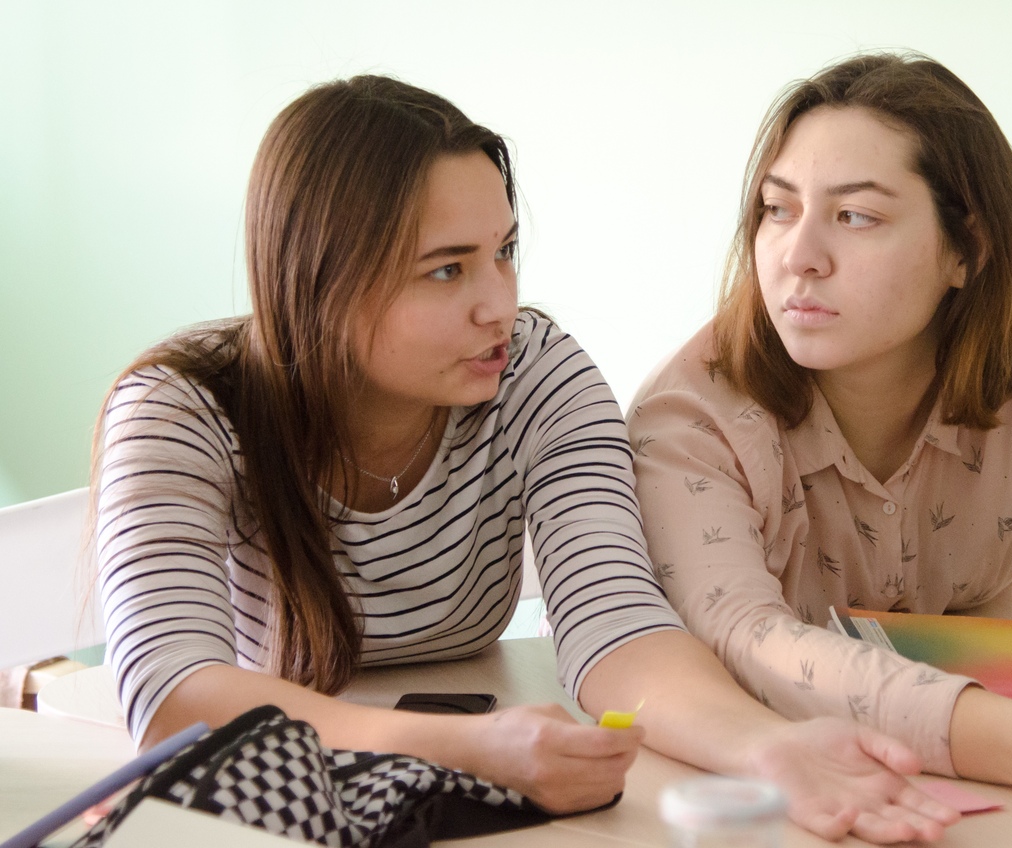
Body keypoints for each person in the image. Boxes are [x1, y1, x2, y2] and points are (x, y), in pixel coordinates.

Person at [91, 74, 962, 844]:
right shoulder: (180, 409)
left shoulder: (536, 376)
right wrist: (465, 747)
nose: (498, 306)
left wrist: (764, 747)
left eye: (504, 253)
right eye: (447, 270)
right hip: (272, 807)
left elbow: (616, 622)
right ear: (320, 278)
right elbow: (175, 699)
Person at [628, 52, 1012, 818]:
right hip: (785, 792)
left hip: (987, 765)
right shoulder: (692, 414)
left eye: (856, 216)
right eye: (777, 209)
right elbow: (744, 640)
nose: (798, 257)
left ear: (968, 248)